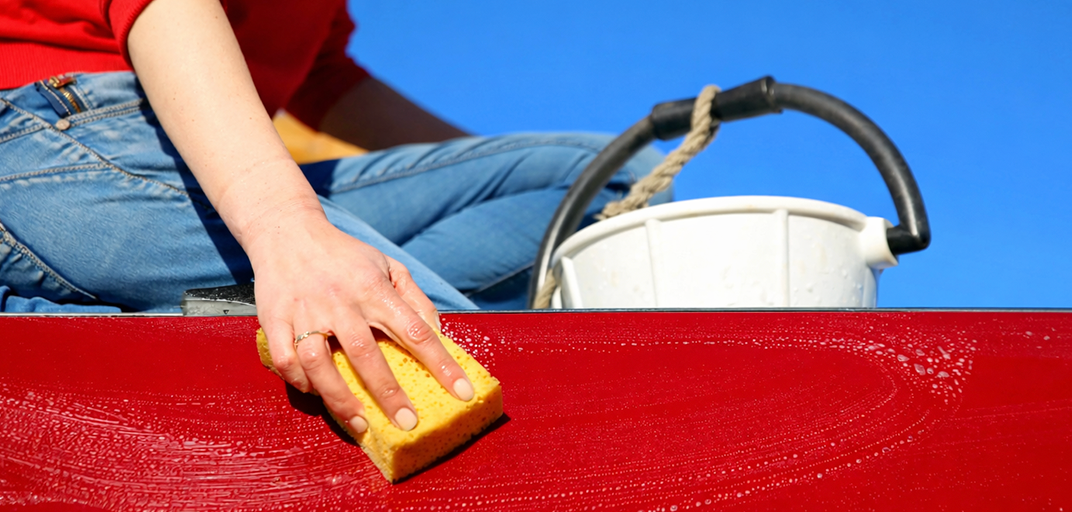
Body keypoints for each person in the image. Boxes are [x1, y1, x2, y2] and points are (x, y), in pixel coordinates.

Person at [0, 0, 663, 433]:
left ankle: (188, 313)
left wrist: (479, 177)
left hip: (202, 155)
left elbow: (324, 76)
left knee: (598, 184)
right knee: (472, 377)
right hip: (54, 130)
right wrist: (290, 234)